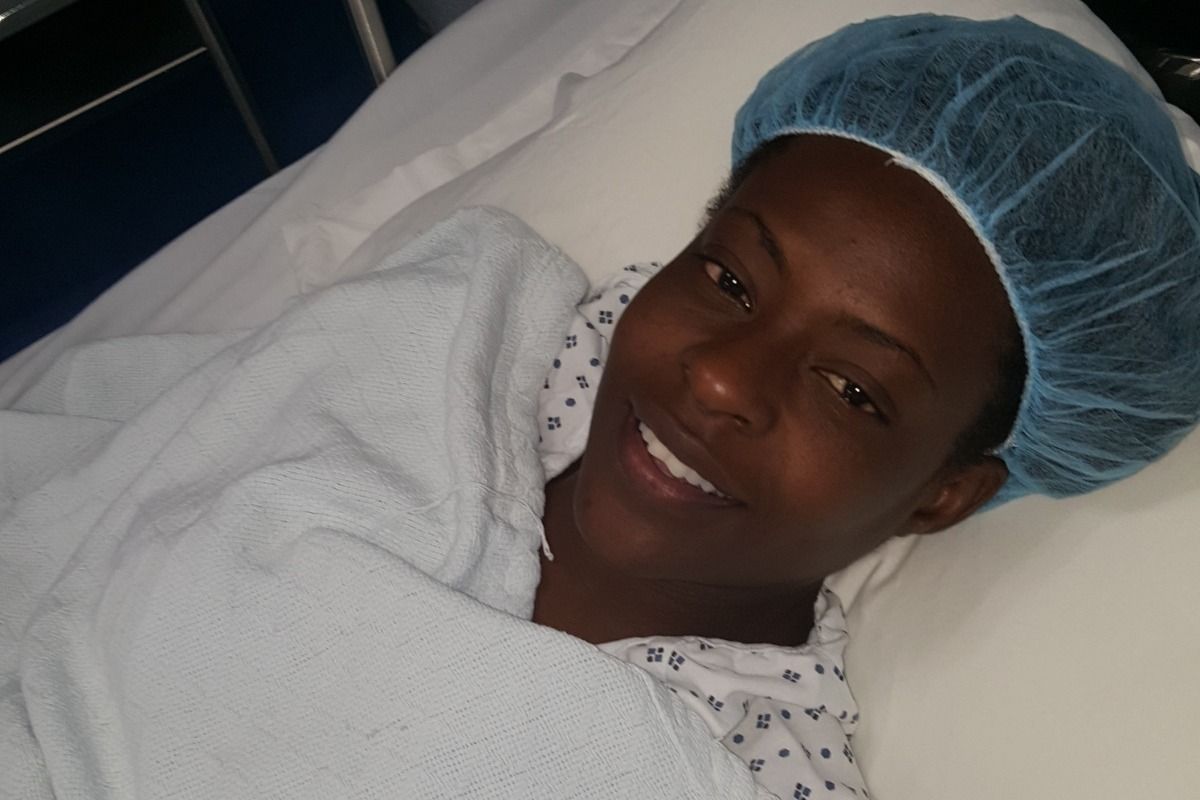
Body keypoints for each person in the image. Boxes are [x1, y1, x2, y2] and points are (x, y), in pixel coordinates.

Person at [530, 14, 1200, 797]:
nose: (721, 379)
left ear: (941, 495)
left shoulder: (746, 774)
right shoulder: (490, 331)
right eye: (730, 280)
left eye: (851, 390)